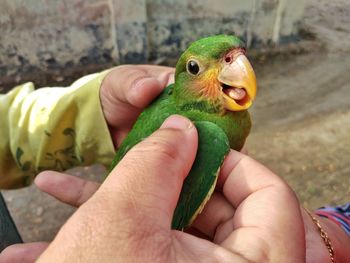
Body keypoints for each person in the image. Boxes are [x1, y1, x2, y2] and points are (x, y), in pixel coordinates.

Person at [0, 66, 349, 262]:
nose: (235, 68)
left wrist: (322, 239)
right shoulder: (200, 131)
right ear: (182, 77)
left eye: (235, 59)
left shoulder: (235, 120)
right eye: (197, 68)